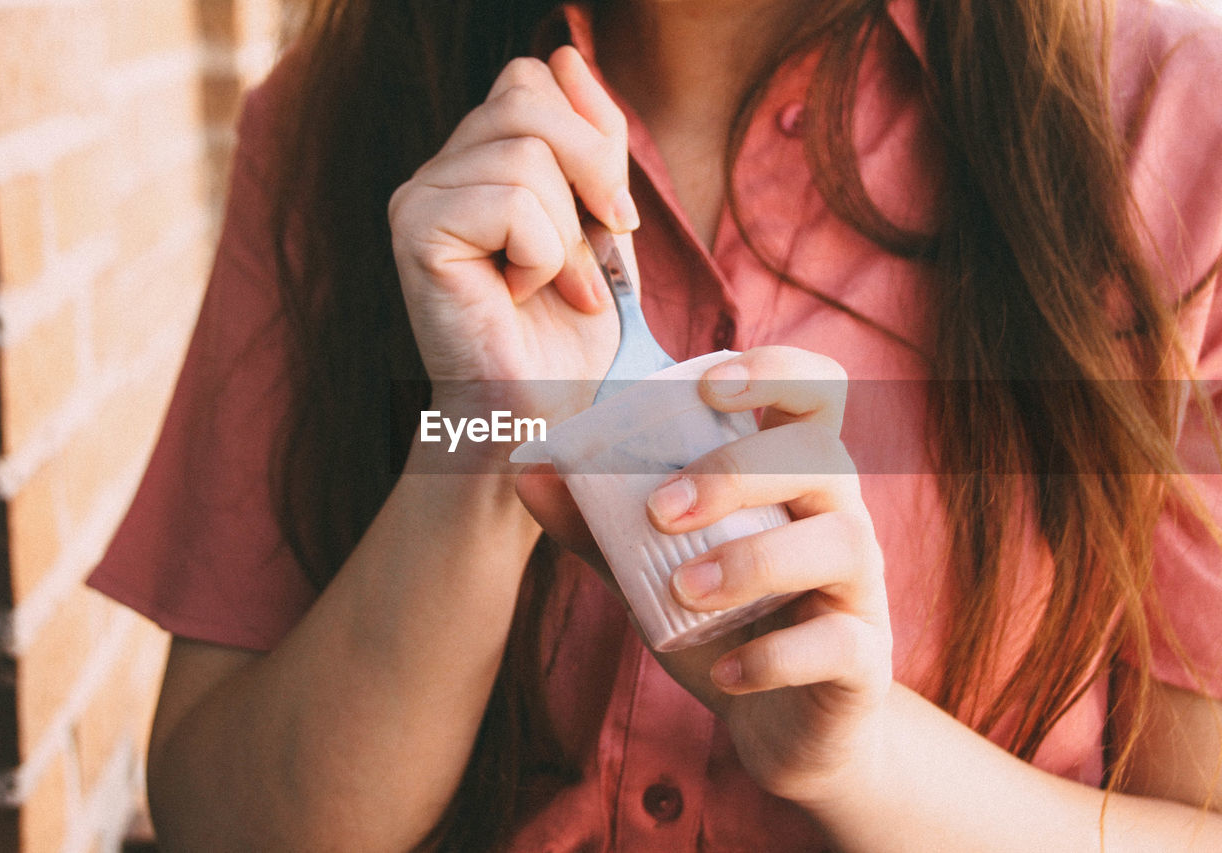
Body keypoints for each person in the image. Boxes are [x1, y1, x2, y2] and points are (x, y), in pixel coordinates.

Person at [88, 0, 1222, 849]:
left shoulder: (1168, 124)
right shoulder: (333, 122)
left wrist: (857, 752)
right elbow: (218, 818)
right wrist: (480, 448)